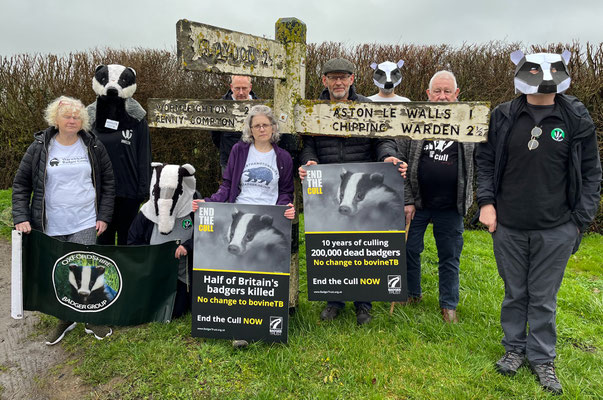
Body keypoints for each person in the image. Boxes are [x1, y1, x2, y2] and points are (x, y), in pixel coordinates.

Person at [476, 50, 601, 395]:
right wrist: (486, 204)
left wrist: (579, 221)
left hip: (557, 227)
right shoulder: (503, 115)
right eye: (534, 70)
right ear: (521, 73)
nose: (543, 76)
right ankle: (514, 349)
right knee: (515, 292)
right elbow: (484, 161)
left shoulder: (575, 116)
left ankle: (542, 358)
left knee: (543, 297)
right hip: (509, 225)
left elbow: (591, 173)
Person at [299, 57, 406, 325]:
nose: (338, 82)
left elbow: (383, 140)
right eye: (333, 77)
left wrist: (388, 157)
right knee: (331, 244)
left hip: (361, 188)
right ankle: (334, 300)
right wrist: (309, 162)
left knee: (362, 245)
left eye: (343, 77)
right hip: (329, 187)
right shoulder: (315, 110)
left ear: (352, 80)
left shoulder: (368, 108)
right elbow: (308, 144)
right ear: (324, 80)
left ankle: (363, 303)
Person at [12, 95, 115, 344]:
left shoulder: (93, 146)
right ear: (55, 120)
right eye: (67, 116)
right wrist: (21, 216)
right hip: (51, 222)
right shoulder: (39, 147)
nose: (72, 120)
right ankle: (66, 316)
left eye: (77, 116)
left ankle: (91, 318)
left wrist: (103, 216)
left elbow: (109, 183)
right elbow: (21, 184)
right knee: (61, 269)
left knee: (86, 267)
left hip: (85, 219)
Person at [193, 104, 295, 348]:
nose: (261, 129)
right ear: (250, 129)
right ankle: (240, 330)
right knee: (240, 275)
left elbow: (286, 191)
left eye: (265, 125)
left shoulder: (283, 157)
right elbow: (227, 185)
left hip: (267, 218)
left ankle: (269, 327)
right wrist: (209, 202)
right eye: (257, 125)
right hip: (239, 213)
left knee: (265, 276)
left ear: (273, 128)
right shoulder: (239, 150)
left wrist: (285, 208)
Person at [399, 70, 474, 323]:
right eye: (437, 91)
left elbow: (481, 163)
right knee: (409, 248)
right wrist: (407, 199)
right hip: (418, 204)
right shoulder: (414, 123)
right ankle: (411, 293)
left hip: (451, 206)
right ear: (428, 94)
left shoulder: (469, 123)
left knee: (449, 255)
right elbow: (401, 164)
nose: (442, 97)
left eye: (447, 92)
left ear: (457, 95)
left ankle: (448, 304)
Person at [88, 64, 151, 246]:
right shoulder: (88, 117)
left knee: (127, 240)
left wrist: (142, 190)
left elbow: (143, 154)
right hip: (98, 192)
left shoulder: (137, 118)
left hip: (129, 192)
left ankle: (126, 274)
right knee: (103, 241)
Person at [128, 163, 197, 319]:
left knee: (176, 312)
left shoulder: (192, 210)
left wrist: (187, 247)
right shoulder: (146, 212)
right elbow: (133, 241)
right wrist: (153, 254)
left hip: (180, 276)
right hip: (154, 273)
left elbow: (204, 237)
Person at [211, 75, 259, 172]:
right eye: (237, 88)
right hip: (229, 161)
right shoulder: (220, 106)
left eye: (244, 88)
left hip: (256, 161)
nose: (241, 92)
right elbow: (215, 136)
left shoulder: (260, 106)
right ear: (231, 87)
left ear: (250, 87)